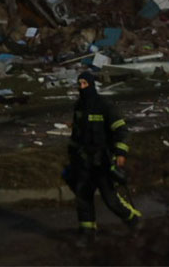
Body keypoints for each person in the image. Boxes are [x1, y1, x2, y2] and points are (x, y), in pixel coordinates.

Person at [64, 66, 141, 235]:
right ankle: (87, 233)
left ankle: (133, 221)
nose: (82, 87)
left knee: (111, 200)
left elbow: (121, 131)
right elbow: (76, 134)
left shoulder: (104, 106)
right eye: (80, 83)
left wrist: (120, 153)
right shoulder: (79, 107)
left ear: (91, 85)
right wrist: (72, 156)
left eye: (85, 83)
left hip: (103, 161)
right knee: (83, 197)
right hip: (84, 161)